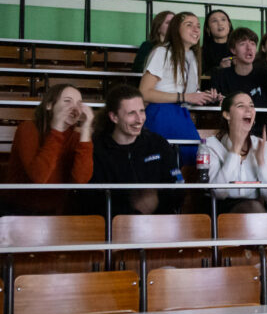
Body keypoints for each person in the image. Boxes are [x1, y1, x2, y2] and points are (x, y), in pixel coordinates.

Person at [139, 12, 220, 165]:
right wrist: (185, 97)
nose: (196, 30)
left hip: (181, 113)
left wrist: (206, 96)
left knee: (194, 160)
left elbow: (188, 94)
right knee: (163, 163)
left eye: (198, 26)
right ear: (176, 29)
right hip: (160, 113)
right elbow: (144, 92)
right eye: (189, 25)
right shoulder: (162, 52)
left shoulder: (192, 57)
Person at [91, 85, 181, 215]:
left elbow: (178, 186)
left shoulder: (158, 143)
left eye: (142, 111)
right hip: (114, 224)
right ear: (114, 117)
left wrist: (157, 201)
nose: (139, 119)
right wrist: (131, 208)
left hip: (159, 222)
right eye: (131, 113)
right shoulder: (98, 149)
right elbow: (93, 199)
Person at [4, 83, 93, 214]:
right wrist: (57, 129)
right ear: (49, 105)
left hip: (58, 211)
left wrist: (86, 129)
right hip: (20, 210)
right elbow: (39, 177)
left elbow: (80, 181)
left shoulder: (76, 137)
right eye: (67, 101)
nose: (74, 108)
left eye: (79, 103)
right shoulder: (28, 129)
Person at [205, 27, 267, 136]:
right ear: (233, 50)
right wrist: (215, 99)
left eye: (253, 44)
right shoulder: (220, 75)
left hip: (259, 133)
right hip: (229, 132)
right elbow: (213, 100)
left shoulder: (263, 72)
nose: (249, 48)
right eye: (243, 44)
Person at [206, 91, 267, 213]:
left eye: (251, 105)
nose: (249, 110)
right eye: (241, 106)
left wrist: (261, 163)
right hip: (222, 209)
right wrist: (234, 151)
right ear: (227, 115)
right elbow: (218, 193)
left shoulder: (263, 146)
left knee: (254, 208)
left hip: (256, 208)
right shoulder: (210, 145)